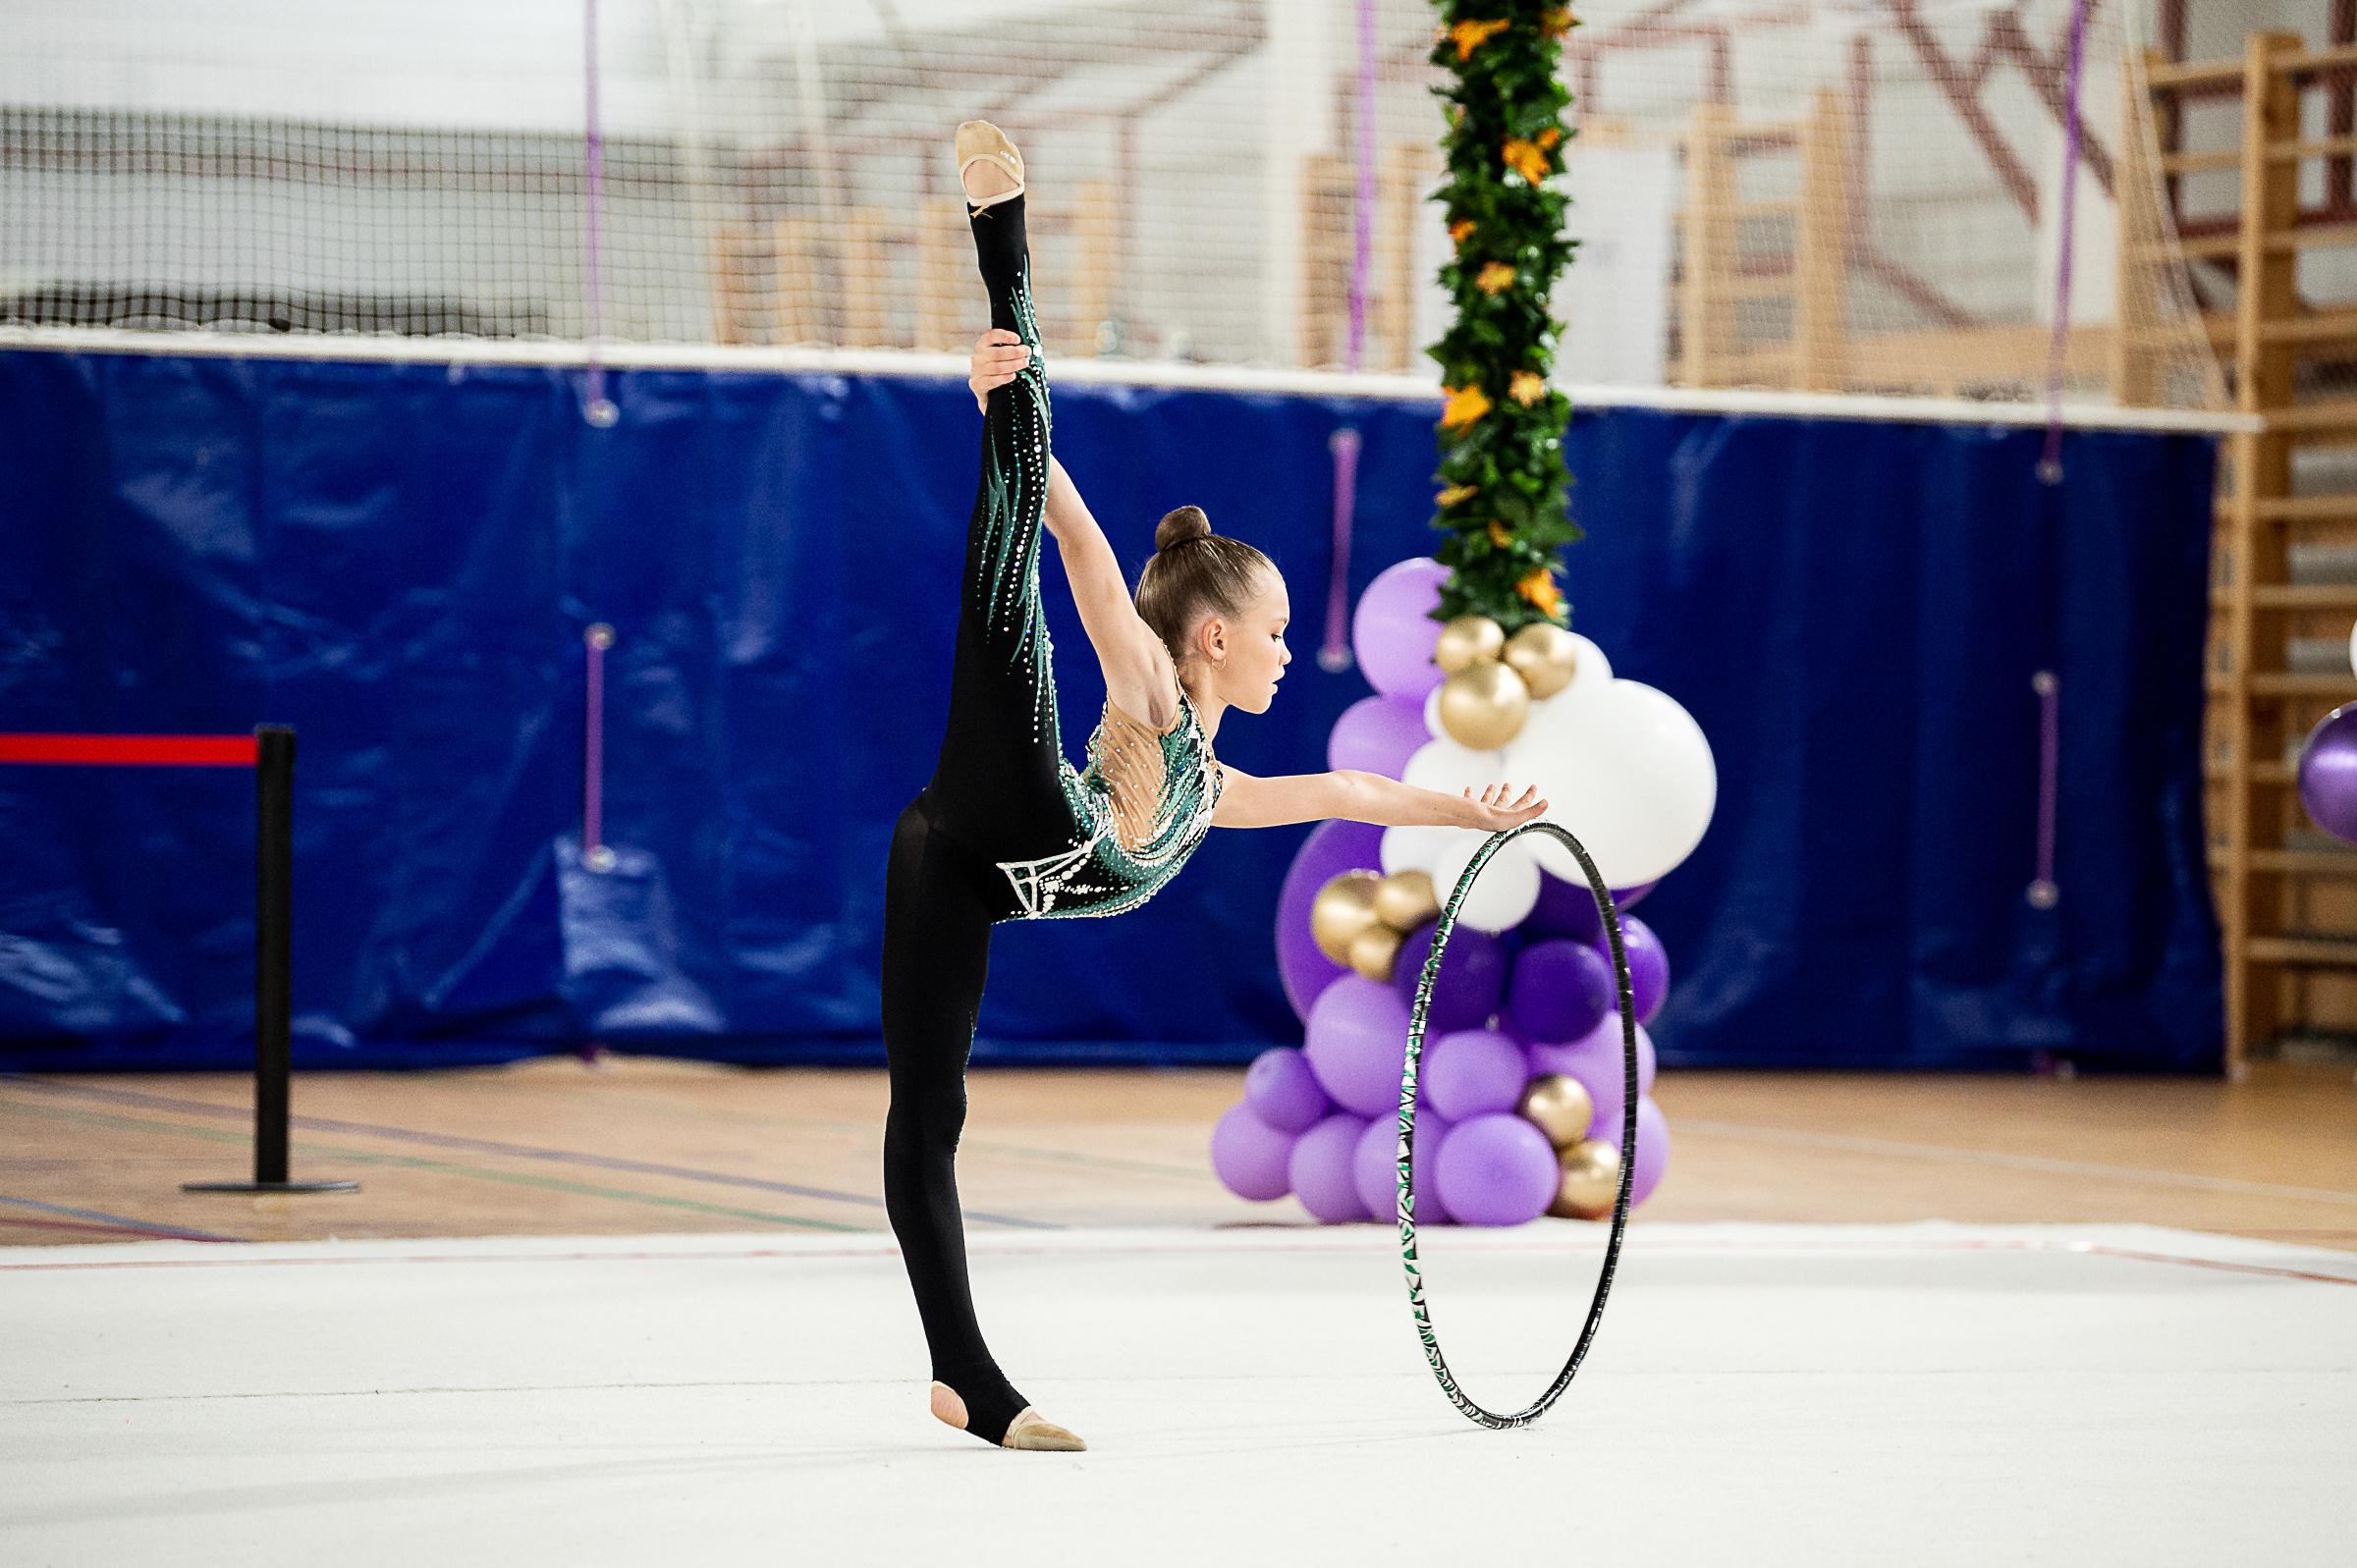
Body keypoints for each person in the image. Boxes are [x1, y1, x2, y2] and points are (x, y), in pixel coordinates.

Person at [885, 122, 1547, 1451]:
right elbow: (1075, 543)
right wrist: (1002, 410)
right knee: (1004, 581)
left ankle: (960, 1372)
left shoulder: (1209, 788)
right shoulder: (1145, 688)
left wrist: (1465, 814)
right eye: (1280, 630)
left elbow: (1352, 788)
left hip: (954, 872)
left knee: (934, 1108)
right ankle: (1002, 250)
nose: (1294, 650)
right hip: (1013, 802)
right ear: (1211, 641)